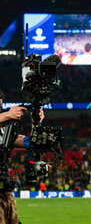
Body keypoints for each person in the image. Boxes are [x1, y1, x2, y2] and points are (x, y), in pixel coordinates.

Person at [0, 90, 44, 224]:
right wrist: (7, 115)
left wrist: (35, 124)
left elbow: (32, 143)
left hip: (5, 192)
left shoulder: (5, 130)